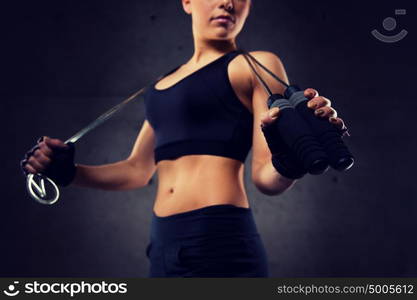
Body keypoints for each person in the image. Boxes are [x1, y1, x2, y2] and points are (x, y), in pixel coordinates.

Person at [20, 0, 349, 277]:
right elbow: (137, 170)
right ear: (188, 1)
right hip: (162, 242)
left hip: (221, 238)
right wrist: (70, 172)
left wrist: (289, 161)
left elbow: (266, 177)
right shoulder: (159, 86)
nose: (227, 3)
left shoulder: (255, 65)